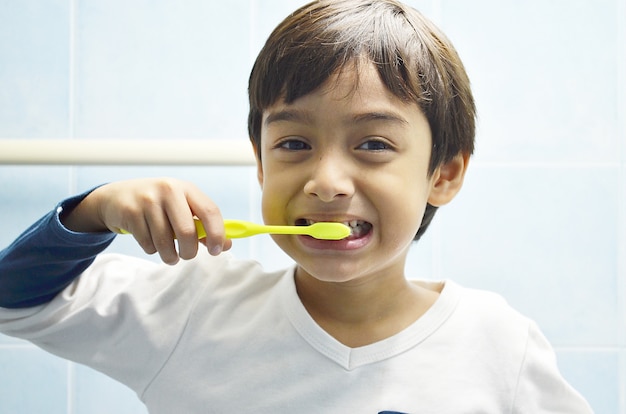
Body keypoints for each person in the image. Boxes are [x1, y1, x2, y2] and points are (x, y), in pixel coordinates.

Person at [0, 0, 593, 412]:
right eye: (294, 144)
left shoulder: (498, 346)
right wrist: (94, 212)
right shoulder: (190, 311)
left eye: (373, 144)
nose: (327, 180)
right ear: (261, 165)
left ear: (444, 173)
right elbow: (12, 302)